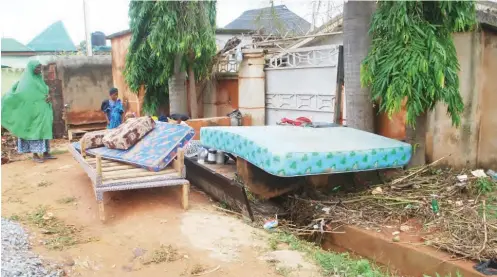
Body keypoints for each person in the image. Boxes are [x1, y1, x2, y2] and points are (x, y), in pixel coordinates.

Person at [1, 60, 56, 163]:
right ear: (31, 68)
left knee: (45, 130)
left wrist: (48, 96)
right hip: (32, 112)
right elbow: (21, 95)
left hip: (43, 110)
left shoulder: (39, 79)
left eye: (40, 67)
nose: (39, 70)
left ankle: (46, 153)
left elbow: (43, 91)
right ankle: (35, 155)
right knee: (34, 131)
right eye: (37, 68)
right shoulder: (25, 81)